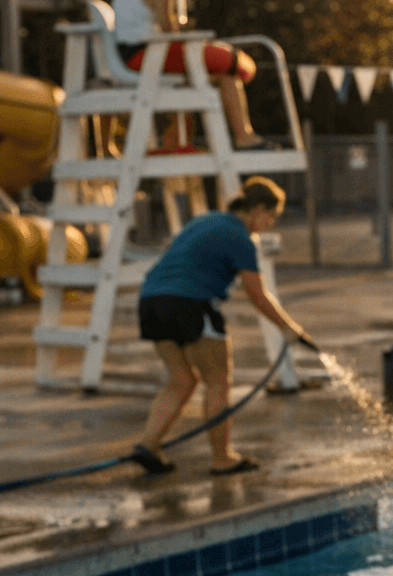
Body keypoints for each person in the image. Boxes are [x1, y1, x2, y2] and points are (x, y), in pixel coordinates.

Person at [131, 176, 313, 475]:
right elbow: (257, 294)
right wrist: (288, 327)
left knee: (181, 380)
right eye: (272, 217)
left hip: (151, 301)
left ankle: (148, 444)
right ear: (258, 210)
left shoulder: (206, 221)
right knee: (217, 380)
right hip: (190, 304)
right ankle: (222, 457)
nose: (270, 223)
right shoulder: (241, 238)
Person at [110, 0, 274, 150]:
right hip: (145, 56)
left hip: (125, 56)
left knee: (222, 76)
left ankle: (187, 142)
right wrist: (181, 25)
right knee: (228, 63)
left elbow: (140, 23)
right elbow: (170, 32)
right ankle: (243, 136)